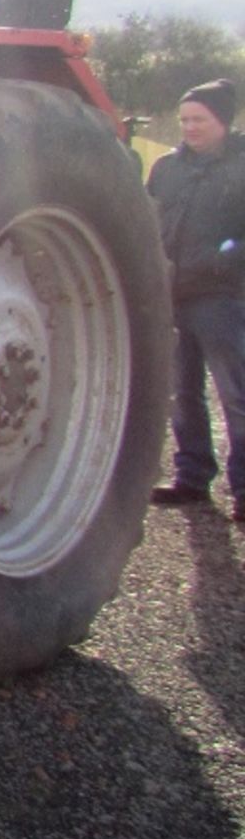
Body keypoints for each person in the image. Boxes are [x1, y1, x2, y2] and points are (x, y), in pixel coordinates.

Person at [148, 78, 245, 521]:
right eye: (185, 119)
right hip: (173, 295)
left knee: (236, 394)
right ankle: (192, 478)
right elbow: (148, 218)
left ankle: (243, 488)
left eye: (199, 119)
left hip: (222, 298)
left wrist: (220, 260)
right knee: (182, 394)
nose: (189, 127)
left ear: (224, 121)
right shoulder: (167, 168)